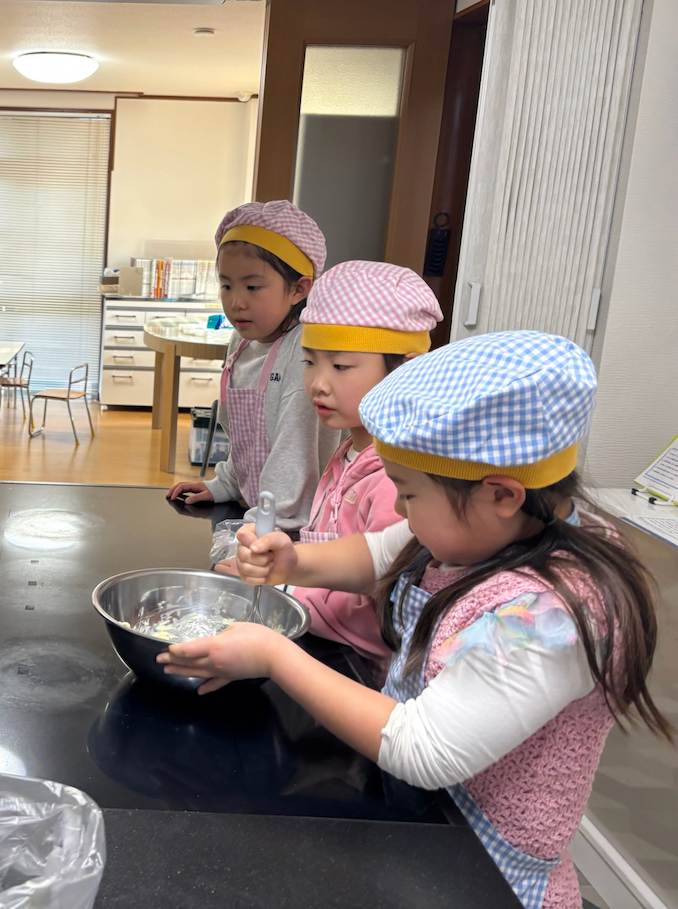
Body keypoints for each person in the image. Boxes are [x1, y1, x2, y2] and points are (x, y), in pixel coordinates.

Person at [159, 330, 672, 909]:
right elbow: (381, 553)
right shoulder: (486, 523)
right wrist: (295, 562)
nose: (399, 509)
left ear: (503, 495)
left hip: (484, 871)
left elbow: (424, 747)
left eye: (407, 493)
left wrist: (275, 655)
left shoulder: (554, 614)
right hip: (418, 824)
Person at [290, 261, 442, 668]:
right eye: (309, 362)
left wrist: (288, 591)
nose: (318, 383)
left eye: (340, 366)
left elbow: (381, 598)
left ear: (405, 369)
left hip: (361, 672)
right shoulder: (349, 451)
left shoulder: (398, 481)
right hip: (322, 644)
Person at [167, 201, 340, 556]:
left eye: (252, 287)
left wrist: (253, 537)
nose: (236, 303)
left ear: (299, 289)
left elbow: (293, 460)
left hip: (297, 530)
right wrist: (227, 484)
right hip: (261, 510)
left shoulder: (304, 352)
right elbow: (248, 439)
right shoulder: (242, 341)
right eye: (226, 286)